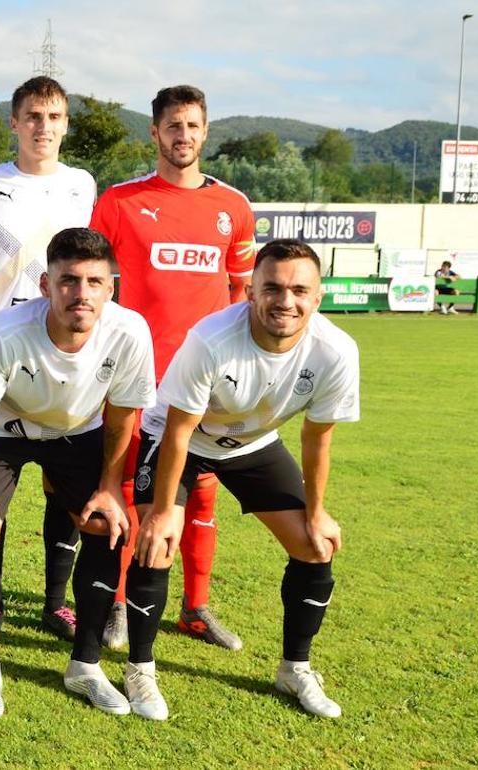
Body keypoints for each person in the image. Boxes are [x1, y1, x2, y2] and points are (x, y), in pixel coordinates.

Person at [125, 238, 358, 720]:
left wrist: (316, 514)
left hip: (253, 445)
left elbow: (317, 440)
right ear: (251, 291)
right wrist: (165, 512)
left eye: (299, 290)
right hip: (182, 440)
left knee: (315, 546)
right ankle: (139, 670)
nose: (285, 301)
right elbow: (179, 430)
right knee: (157, 542)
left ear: (318, 297)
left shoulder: (336, 351)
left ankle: (294, 669)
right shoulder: (212, 339)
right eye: (272, 287)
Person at [0, 227, 153, 718]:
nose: (80, 293)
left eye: (93, 281)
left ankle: (84, 667)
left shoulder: (130, 332)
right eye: (68, 281)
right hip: (1, 430)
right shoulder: (3, 330)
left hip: (76, 432)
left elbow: (124, 413)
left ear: (111, 287)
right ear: (46, 284)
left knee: (107, 528)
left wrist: (109, 487)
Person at [89, 84, 255, 652]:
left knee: (202, 491)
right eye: (172, 126)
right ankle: (117, 603)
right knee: (136, 490)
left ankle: (196, 607)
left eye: (192, 126)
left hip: (205, 379)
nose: (183, 136)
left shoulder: (232, 207)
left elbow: (239, 293)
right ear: (154, 133)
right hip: (136, 375)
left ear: (205, 132)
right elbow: (97, 283)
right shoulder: (119, 202)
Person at [0, 75, 98, 642]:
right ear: (14, 123)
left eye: (54, 117)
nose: (44, 126)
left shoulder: (83, 185)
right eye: (33, 116)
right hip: (2, 353)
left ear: (65, 124)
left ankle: (55, 603)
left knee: (65, 496)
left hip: (66, 357)